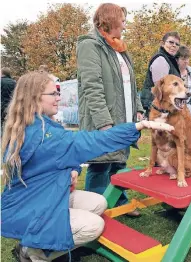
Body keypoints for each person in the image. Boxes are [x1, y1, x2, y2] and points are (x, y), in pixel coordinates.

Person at [1, 72, 174, 261]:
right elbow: (90, 141)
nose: (59, 98)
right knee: (94, 226)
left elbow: (64, 155)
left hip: (39, 198)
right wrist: (137, 126)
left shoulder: (33, 126)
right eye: (53, 94)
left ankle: (37, 240)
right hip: (34, 207)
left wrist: (74, 169)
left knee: (99, 203)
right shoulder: (45, 136)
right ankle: (34, 253)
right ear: (35, 98)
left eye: (58, 92)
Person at [76, 3, 145, 216]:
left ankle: (119, 202)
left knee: (119, 161)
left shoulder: (119, 49)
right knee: (100, 164)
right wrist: (103, 122)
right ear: (111, 20)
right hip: (104, 119)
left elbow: (130, 85)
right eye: (122, 21)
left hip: (123, 116)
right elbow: (91, 86)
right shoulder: (90, 45)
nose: (125, 26)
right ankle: (93, 211)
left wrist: (139, 109)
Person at [141, 31, 182, 116]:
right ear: (163, 43)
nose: (174, 45)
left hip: (166, 108)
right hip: (159, 110)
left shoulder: (170, 60)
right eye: (171, 42)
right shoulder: (161, 60)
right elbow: (161, 90)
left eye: (177, 44)